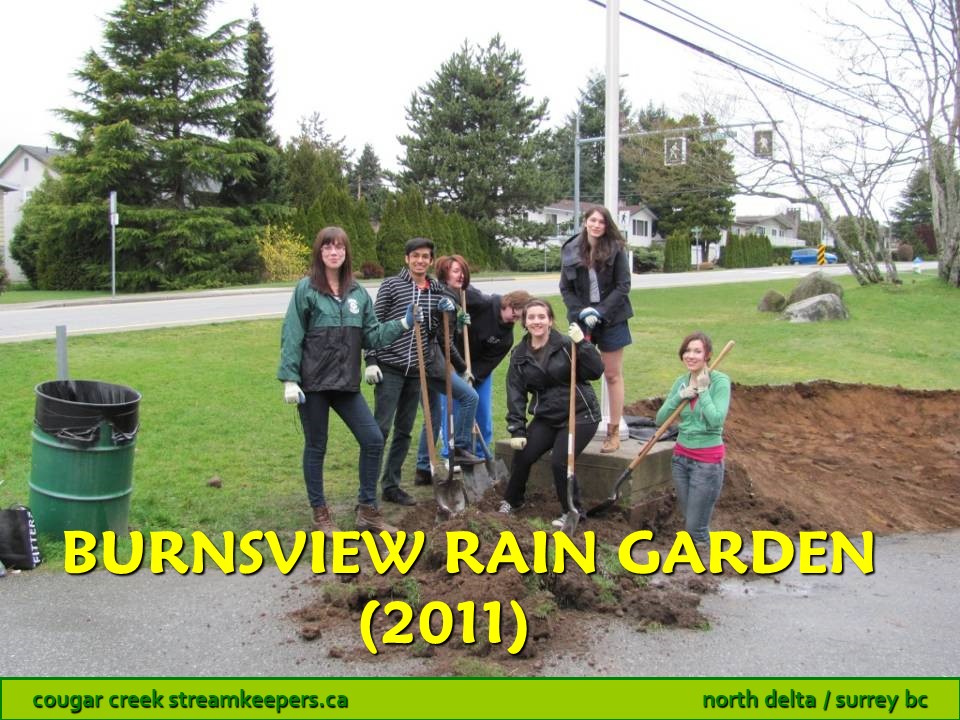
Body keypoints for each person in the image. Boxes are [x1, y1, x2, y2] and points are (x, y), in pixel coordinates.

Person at [277, 226, 420, 534]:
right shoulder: (307, 289)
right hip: (313, 385)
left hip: (345, 384)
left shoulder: (357, 292)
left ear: (346, 253)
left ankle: (367, 510)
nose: (334, 252)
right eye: (328, 247)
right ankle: (321, 514)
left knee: (372, 439)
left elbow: (372, 335)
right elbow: (292, 334)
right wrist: (290, 379)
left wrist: (403, 323)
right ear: (319, 252)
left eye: (339, 247)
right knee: (316, 446)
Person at [364, 239, 480, 506]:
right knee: (380, 430)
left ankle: (391, 486)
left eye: (425, 256)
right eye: (415, 256)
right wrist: (370, 360)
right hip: (390, 367)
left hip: (418, 369)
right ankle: (367, 490)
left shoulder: (437, 290)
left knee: (404, 430)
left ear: (430, 261)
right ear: (407, 259)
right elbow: (374, 325)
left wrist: (451, 317)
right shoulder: (392, 286)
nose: (420, 260)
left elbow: (440, 336)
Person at [500, 299, 604, 527]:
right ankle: (512, 500)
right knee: (523, 454)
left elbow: (596, 371)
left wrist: (583, 345)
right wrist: (517, 428)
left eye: (541, 317)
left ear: (550, 320)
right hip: (547, 415)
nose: (537, 321)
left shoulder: (567, 344)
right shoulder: (519, 355)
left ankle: (572, 511)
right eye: (532, 317)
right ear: (524, 322)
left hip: (580, 413)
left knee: (560, 461)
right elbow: (515, 393)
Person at [560, 205, 633, 453]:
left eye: (601, 222)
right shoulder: (571, 249)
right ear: (585, 222)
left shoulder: (615, 249)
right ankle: (575, 427)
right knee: (577, 374)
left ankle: (613, 432)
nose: (596, 225)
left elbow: (623, 286)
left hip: (612, 317)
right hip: (581, 317)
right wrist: (581, 311)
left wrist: (600, 311)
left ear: (607, 225)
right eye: (593, 220)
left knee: (612, 374)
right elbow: (565, 289)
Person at [654, 331, 731, 546]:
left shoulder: (720, 381)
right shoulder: (681, 382)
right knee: (692, 522)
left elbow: (716, 421)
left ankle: (706, 570)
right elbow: (660, 419)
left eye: (697, 351)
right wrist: (680, 396)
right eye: (687, 350)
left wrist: (704, 391)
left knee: (694, 529)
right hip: (681, 460)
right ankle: (704, 567)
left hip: (707, 464)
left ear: (708, 355)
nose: (691, 355)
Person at [414, 254, 474, 483]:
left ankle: (422, 469)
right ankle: (458, 449)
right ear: (443, 274)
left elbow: (445, 333)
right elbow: (443, 340)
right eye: (455, 271)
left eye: (462, 271)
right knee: (470, 397)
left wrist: (458, 325)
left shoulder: (446, 296)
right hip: (433, 363)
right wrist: (462, 367)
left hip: (421, 361)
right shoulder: (445, 297)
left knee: (432, 415)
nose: (460, 275)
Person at [460, 287, 532, 457]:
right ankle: (452, 454)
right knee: (455, 412)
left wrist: (472, 377)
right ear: (509, 303)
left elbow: (489, 363)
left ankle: (481, 454)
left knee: (483, 414)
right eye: (514, 315)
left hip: (478, 372)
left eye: (518, 319)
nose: (514, 321)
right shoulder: (483, 303)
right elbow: (460, 292)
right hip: (454, 361)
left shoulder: (506, 338)